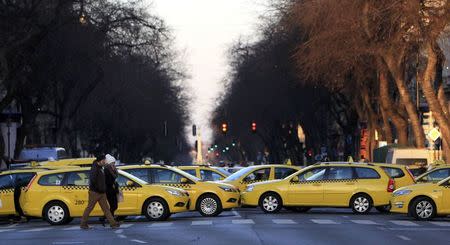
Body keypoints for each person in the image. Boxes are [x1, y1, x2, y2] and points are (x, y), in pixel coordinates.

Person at [80, 154, 119, 229]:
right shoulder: (95, 168)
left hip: (102, 192)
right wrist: (98, 189)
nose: (105, 161)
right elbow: (93, 180)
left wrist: (102, 189)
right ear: (101, 161)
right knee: (89, 208)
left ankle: (113, 223)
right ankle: (83, 224)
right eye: (104, 160)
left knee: (106, 209)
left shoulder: (101, 167)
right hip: (95, 192)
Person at [104, 154, 119, 220]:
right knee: (113, 205)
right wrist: (113, 183)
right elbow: (108, 181)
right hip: (109, 190)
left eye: (114, 163)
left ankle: (109, 217)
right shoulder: (106, 170)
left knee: (114, 205)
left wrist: (115, 171)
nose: (114, 164)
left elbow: (116, 176)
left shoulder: (113, 169)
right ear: (109, 163)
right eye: (112, 163)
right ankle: (109, 217)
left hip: (113, 190)